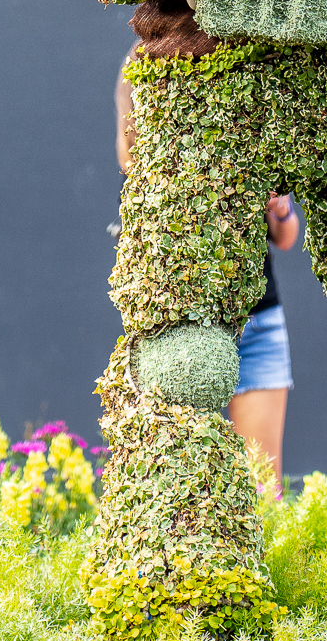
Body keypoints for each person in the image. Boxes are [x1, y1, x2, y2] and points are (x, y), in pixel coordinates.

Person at [115, 59, 299, 489]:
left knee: (260, 489)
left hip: (258, 323)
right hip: (186, 336)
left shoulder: (240, 131)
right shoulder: (152, 168)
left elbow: (286, 235)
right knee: (185, 491)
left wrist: (280, 206)